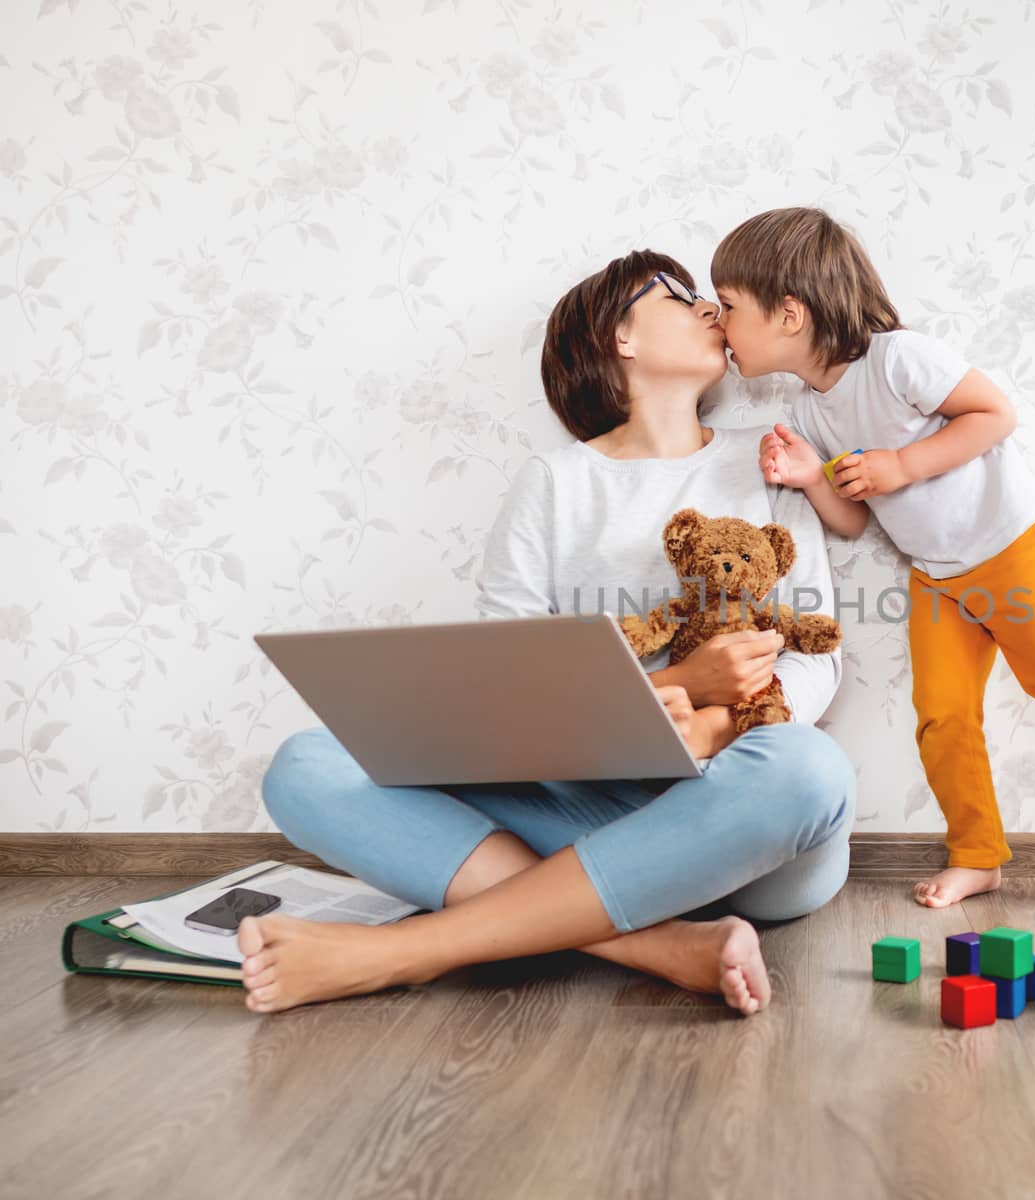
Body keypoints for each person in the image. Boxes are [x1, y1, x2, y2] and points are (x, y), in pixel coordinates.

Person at [239, 249, 855, 1014]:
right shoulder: (555, 483)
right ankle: (662, 948)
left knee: (808, 768)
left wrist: (717, 724)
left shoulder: (770, 456)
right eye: (677, 296)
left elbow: (815, 651)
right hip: (590, 811)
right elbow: (509, 691)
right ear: (618, 338)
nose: (708, 309)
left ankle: (401, 954)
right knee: (306, 765)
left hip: (743, 833)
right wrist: (673, 686)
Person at [712, 206, 1035, 924]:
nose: (718, 326)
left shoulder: (898, 358)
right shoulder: (810, 412)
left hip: (1013, 547)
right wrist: (812, 477)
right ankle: (977, 855)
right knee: (942, 713)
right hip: (938, 573)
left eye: (726, 308)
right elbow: (851, 521)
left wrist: (901, 464)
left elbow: (993, 414)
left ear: (788, 313)